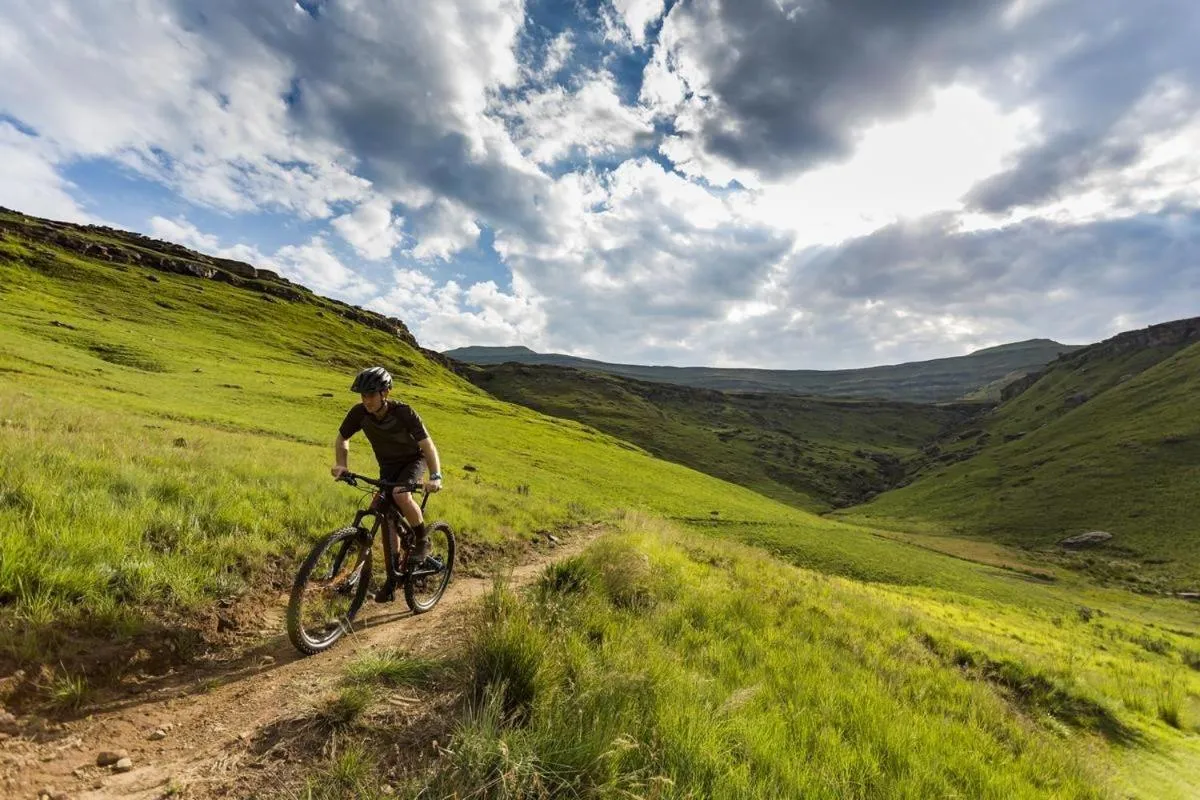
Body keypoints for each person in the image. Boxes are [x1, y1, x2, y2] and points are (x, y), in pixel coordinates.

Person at [331, 366, 443, 602]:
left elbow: (428, 446)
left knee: (400, 495)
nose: (366, 400)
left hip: (413, 461)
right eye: (363, 395)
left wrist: (435, 476)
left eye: (371, 394)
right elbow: (342, 438)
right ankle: (393, 579)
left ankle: (422, 541)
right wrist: (341, 464)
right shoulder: (359, 413)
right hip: (388, 467)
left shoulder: (404, 413)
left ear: (386, 393)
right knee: (383, 512)